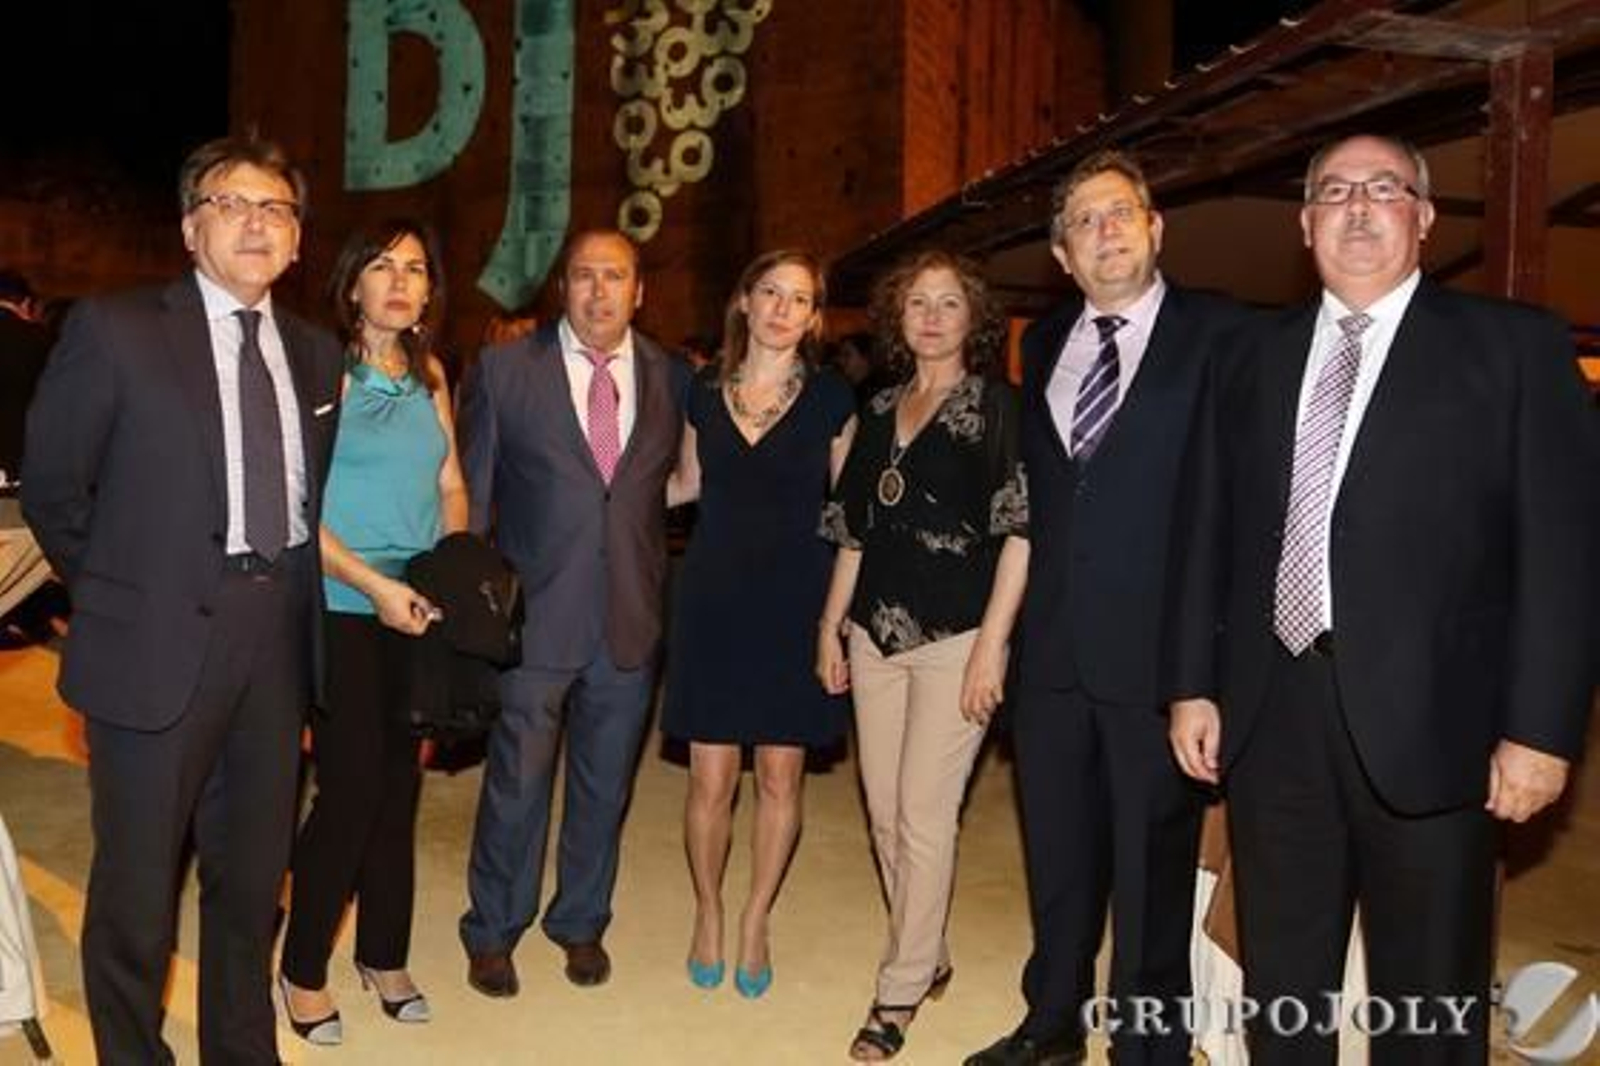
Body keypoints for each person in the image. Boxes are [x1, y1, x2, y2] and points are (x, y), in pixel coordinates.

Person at [1167, 134, 1599, 1064]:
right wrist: (1193, 683)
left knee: (1427, 1002)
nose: (1358, 207)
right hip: (1271, 714)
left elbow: (1562, 554)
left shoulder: (1512, 347)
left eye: (1384, 188)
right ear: (1306, 222)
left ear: (1426, 216)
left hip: (1438, 725)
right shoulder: (1247, 354)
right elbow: (1207, 528)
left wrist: (1542, 731)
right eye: (1334, 191)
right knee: (1281, 986)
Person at [20, 134, 343, 1064]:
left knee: (248, 882)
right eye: (232, 204)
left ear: (296, 242)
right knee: (136, 893)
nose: (256, 222)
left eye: (276, 209)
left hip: (276, 639)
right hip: (153, 642)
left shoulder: (317, 357)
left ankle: (240, 1049)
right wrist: (122, 593)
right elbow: (53, 486)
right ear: (191, 226)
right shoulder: (118, 330)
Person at [966, 150, 1248, 1066]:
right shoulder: (1042, 343)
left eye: (1121, 212)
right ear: (1061, 253)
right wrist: (1000, 643)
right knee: (1059, 861)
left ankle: (1148, 1048)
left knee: (1151, 873)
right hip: (1051, 660)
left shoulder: (1223, 336)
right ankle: (1052, 1022)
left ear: (1155, 227)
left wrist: (1207, 668)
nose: (1106, 231)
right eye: (1084, 221)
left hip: (1160, 663)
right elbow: (1045, 507)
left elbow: (1241, 510)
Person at [456, 228, 688, 997]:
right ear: (563, 288)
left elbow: (663, 489)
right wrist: (475, 614)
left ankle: (581, 921)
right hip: (534, 619)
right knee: (516, 783)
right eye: (583, 276)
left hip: (628, 615)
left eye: (614, 277)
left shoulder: (670, 376)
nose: (598, 292)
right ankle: (493, 929)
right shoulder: (503, 372)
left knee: (603, 785)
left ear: (638, 290)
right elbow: (477, 501)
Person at [817, 250, 1029, 1061]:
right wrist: (831, 626)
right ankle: (928, 945)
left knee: (924, 815)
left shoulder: (996, 408)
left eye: (948, 302)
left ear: (972, 319)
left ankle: (898, 992)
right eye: (918, 303)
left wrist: (993, 651)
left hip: (958, 638)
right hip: (876, 635)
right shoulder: (877, 410)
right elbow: (855, 534)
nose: (933, 315)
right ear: (897, 320)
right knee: (882, 812)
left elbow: (1019, 534)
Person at [277, 219, 468, 1043]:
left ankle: (384, 955)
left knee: (399, 790)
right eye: (382, 265)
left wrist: (449, 570)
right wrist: (376, 585)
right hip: (342, 601)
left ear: (430, 290)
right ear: (353, 283)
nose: (399, 280)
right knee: (351, 788)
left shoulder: (431, 374)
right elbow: (299, 509)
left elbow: (451, 482)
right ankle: (302, 966)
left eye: (415, 268)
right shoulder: (327, 373)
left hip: (415, 608)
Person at [661, 250, 856, 998]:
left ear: (813, 317)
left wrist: (834, 623)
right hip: (712, 599)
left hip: (796, 603)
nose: (781, 308)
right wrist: (602, 488)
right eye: (769, 292)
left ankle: (754, 916)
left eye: (799, 298)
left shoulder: (835, 398)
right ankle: (708, 910)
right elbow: (686, 484)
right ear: (744, 301)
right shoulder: (703, 392)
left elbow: (847, 517)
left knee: (780, 774)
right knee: (709, 779)